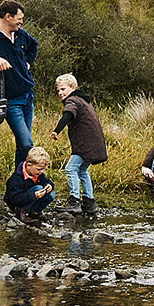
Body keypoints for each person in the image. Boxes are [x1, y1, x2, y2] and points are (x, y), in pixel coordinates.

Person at [0, 0, 38, 167]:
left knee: (23, 144)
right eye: (19, 18)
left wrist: (28, 63)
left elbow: (34, 46)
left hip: (27, 95)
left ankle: (20, 181)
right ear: (7, 16)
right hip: (11, 100)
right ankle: (32, 176)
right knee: (27, 144)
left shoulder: (21, 34)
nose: (21, 21)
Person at [47, 73, 107, 217]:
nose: (60, 93)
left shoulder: (73, 100)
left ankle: (74, 201)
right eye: (58, 90)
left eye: (63, 89)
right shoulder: (83, 100)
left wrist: (56, 131)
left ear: (73, 87)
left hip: (85, 144)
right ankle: (89, 202)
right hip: (93, 143)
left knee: (70, 168)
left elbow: (68, 115)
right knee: (82, 171)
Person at [4, 145, 55, 224]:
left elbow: (45, 181)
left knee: (51, 193)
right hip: (16, 204)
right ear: (29, 165)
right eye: (39, 169)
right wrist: (33, 195)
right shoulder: (16, 178)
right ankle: (21, 212)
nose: (41, 172)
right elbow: (13, 199)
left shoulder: (38, 174)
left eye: (43, 169)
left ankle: (35, 213)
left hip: (30, 197)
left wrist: (49, 185)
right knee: (38, 188)